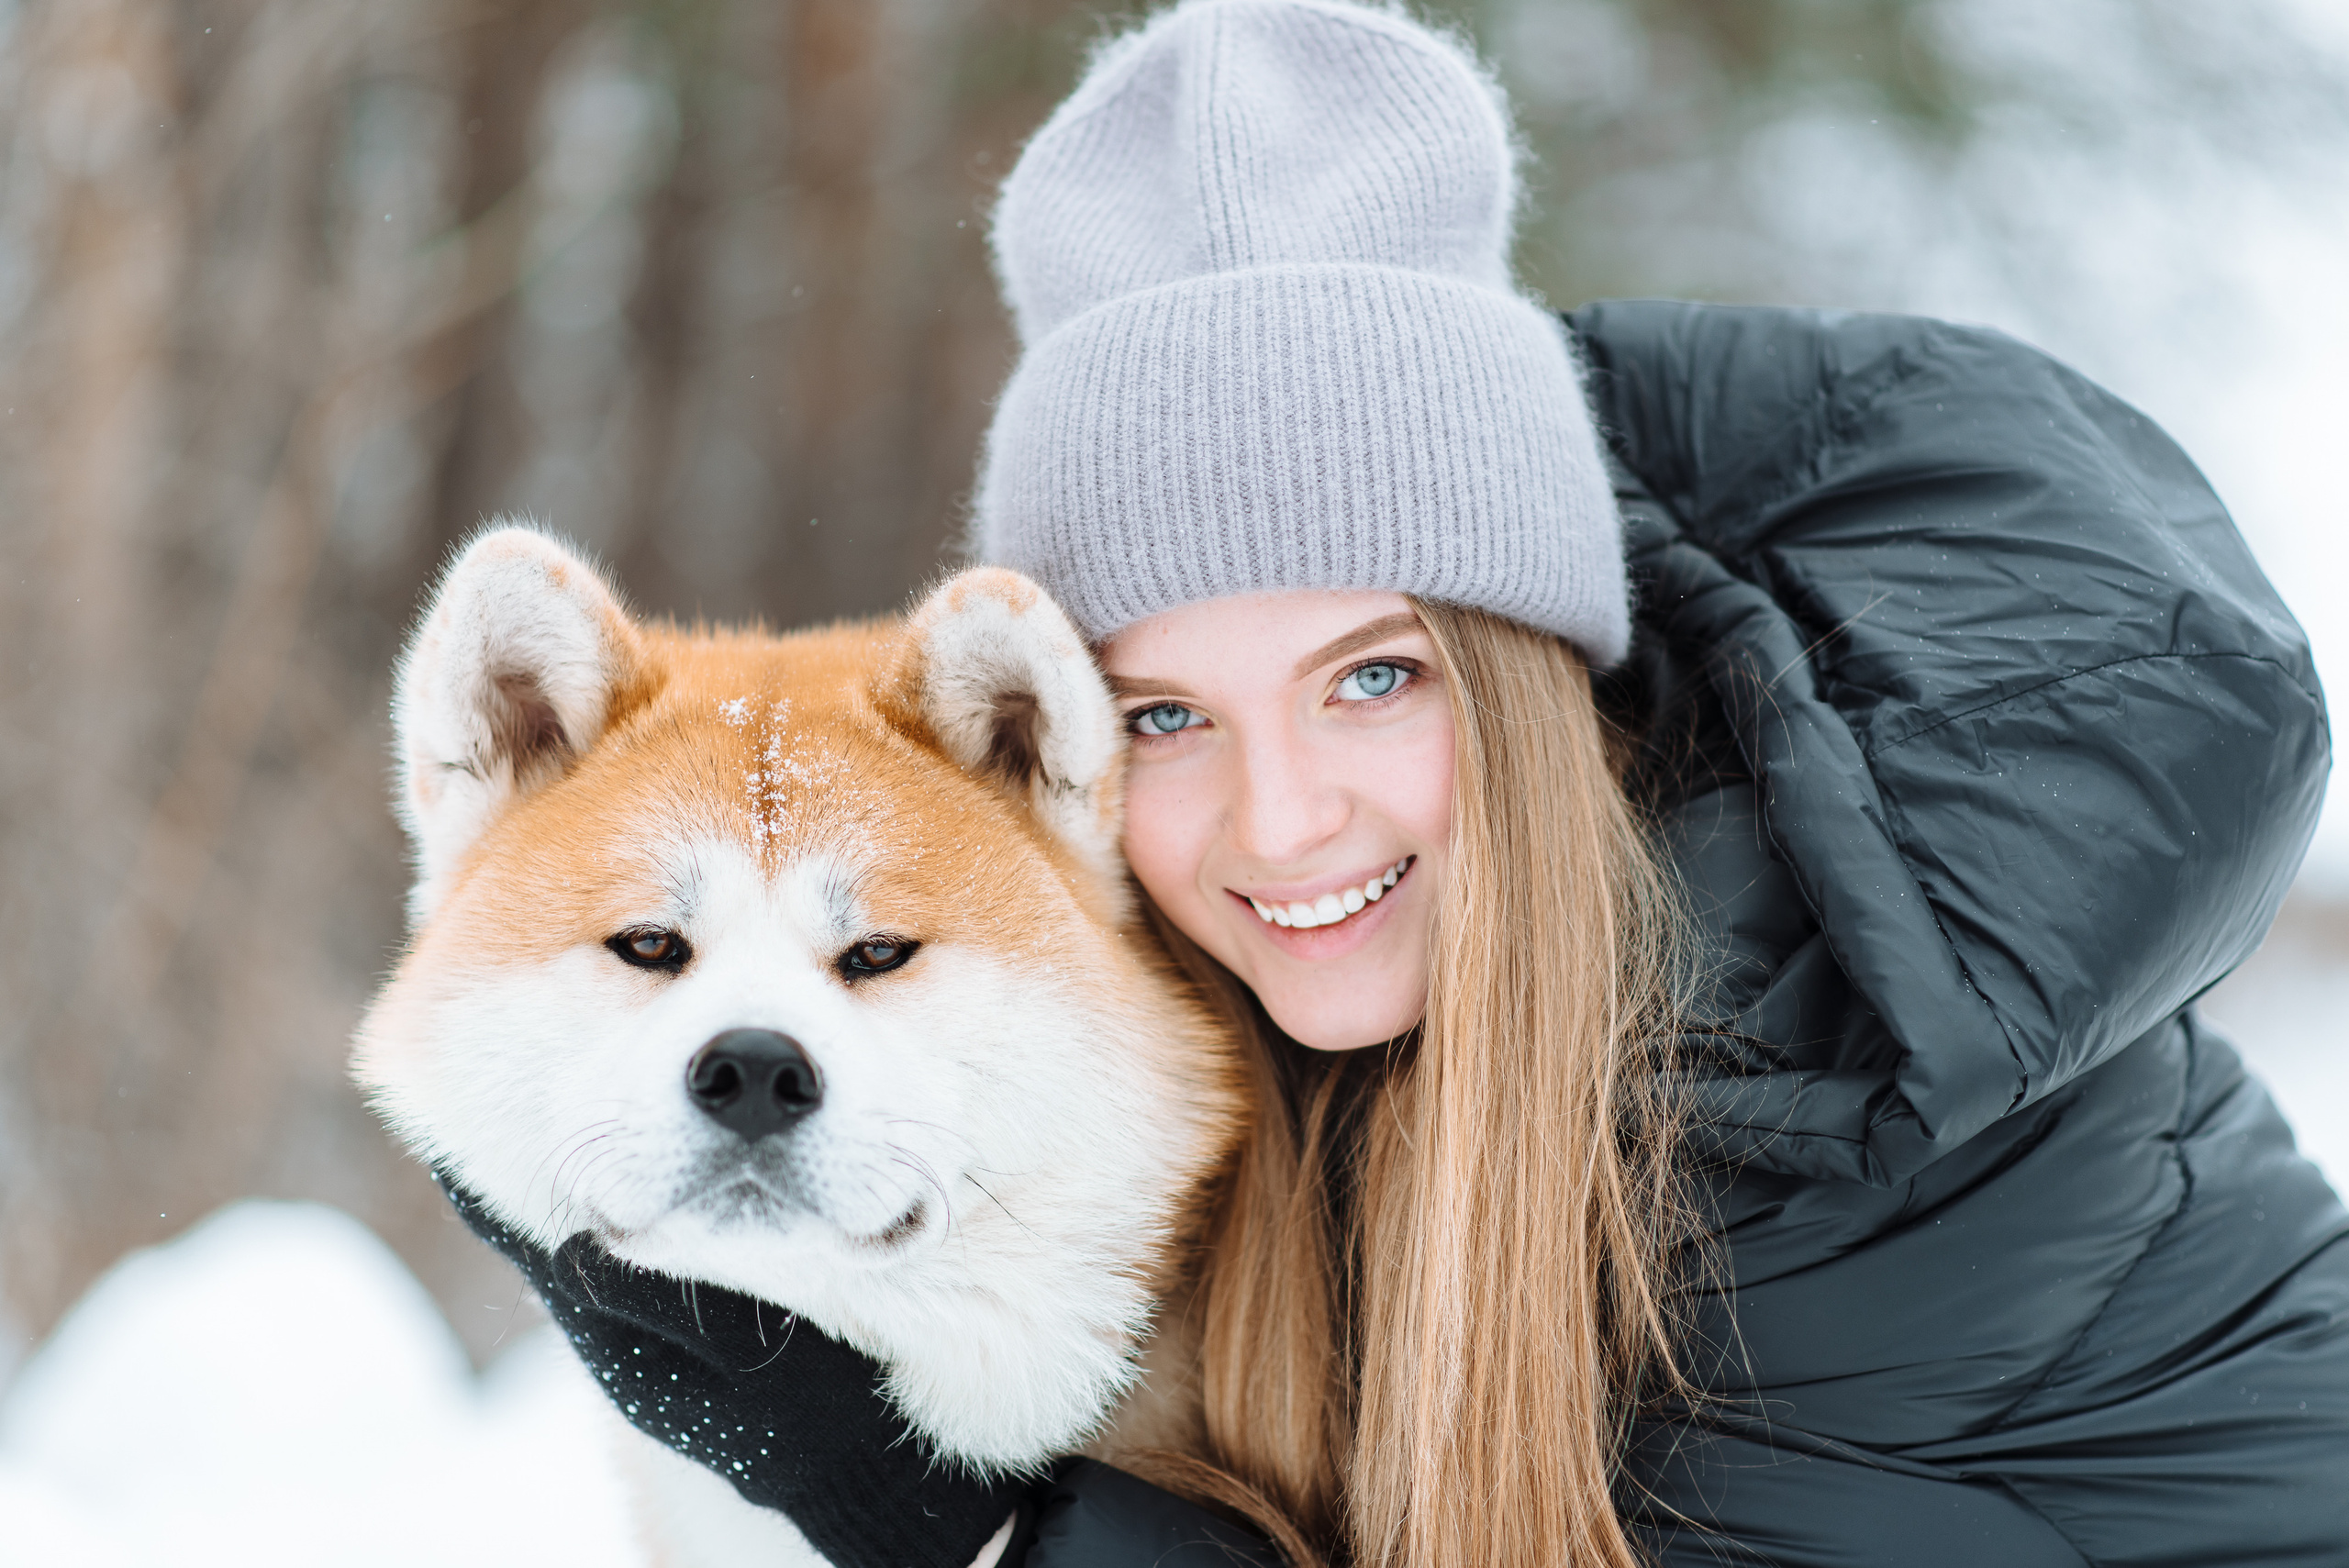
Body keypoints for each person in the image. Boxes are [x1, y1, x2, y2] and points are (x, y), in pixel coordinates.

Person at [451, 1, 2349, 1563]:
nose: (1285, 821)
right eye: (1170, 718)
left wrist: (971, 1520)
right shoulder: (1266, 1056)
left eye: (1373, 678)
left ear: (1534, 690)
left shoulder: (1836, 1058)